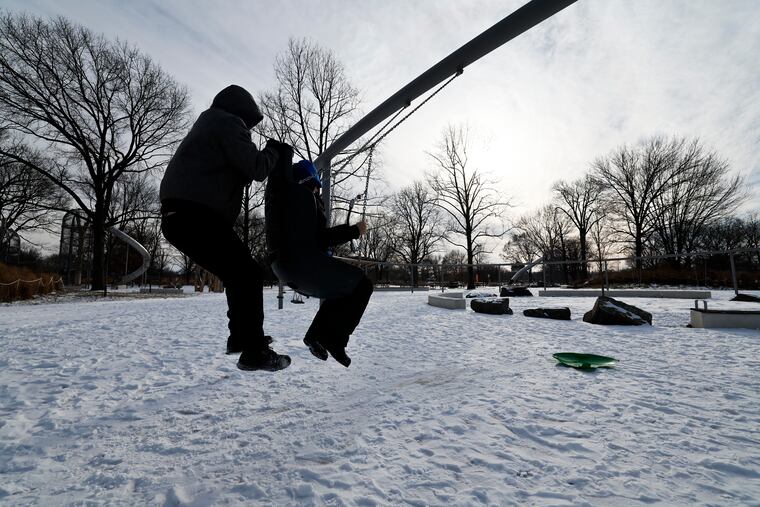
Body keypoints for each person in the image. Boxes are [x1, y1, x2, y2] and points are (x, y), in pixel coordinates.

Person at [159, 84, 294, 372]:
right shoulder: (227, 121)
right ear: (242, 111)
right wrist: (274, 151)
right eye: (250, 123)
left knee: (237, 274)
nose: (249, 130)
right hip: (195, 215)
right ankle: (254, 350)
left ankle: (242, 339)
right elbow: (257, 167)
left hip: (178, 217)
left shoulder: (207, 127)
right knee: (247, 273)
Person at [265, 159, 374, 367]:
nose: (318, 191)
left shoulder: (285, 204)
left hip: (284, 267)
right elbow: (320, 237)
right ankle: (337, 341)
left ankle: (315, 335)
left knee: (342, 288)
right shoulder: (303, 199)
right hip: (304, 263)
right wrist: (354, 231)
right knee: (363, 285)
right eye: (317, 186)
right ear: (309, 182)